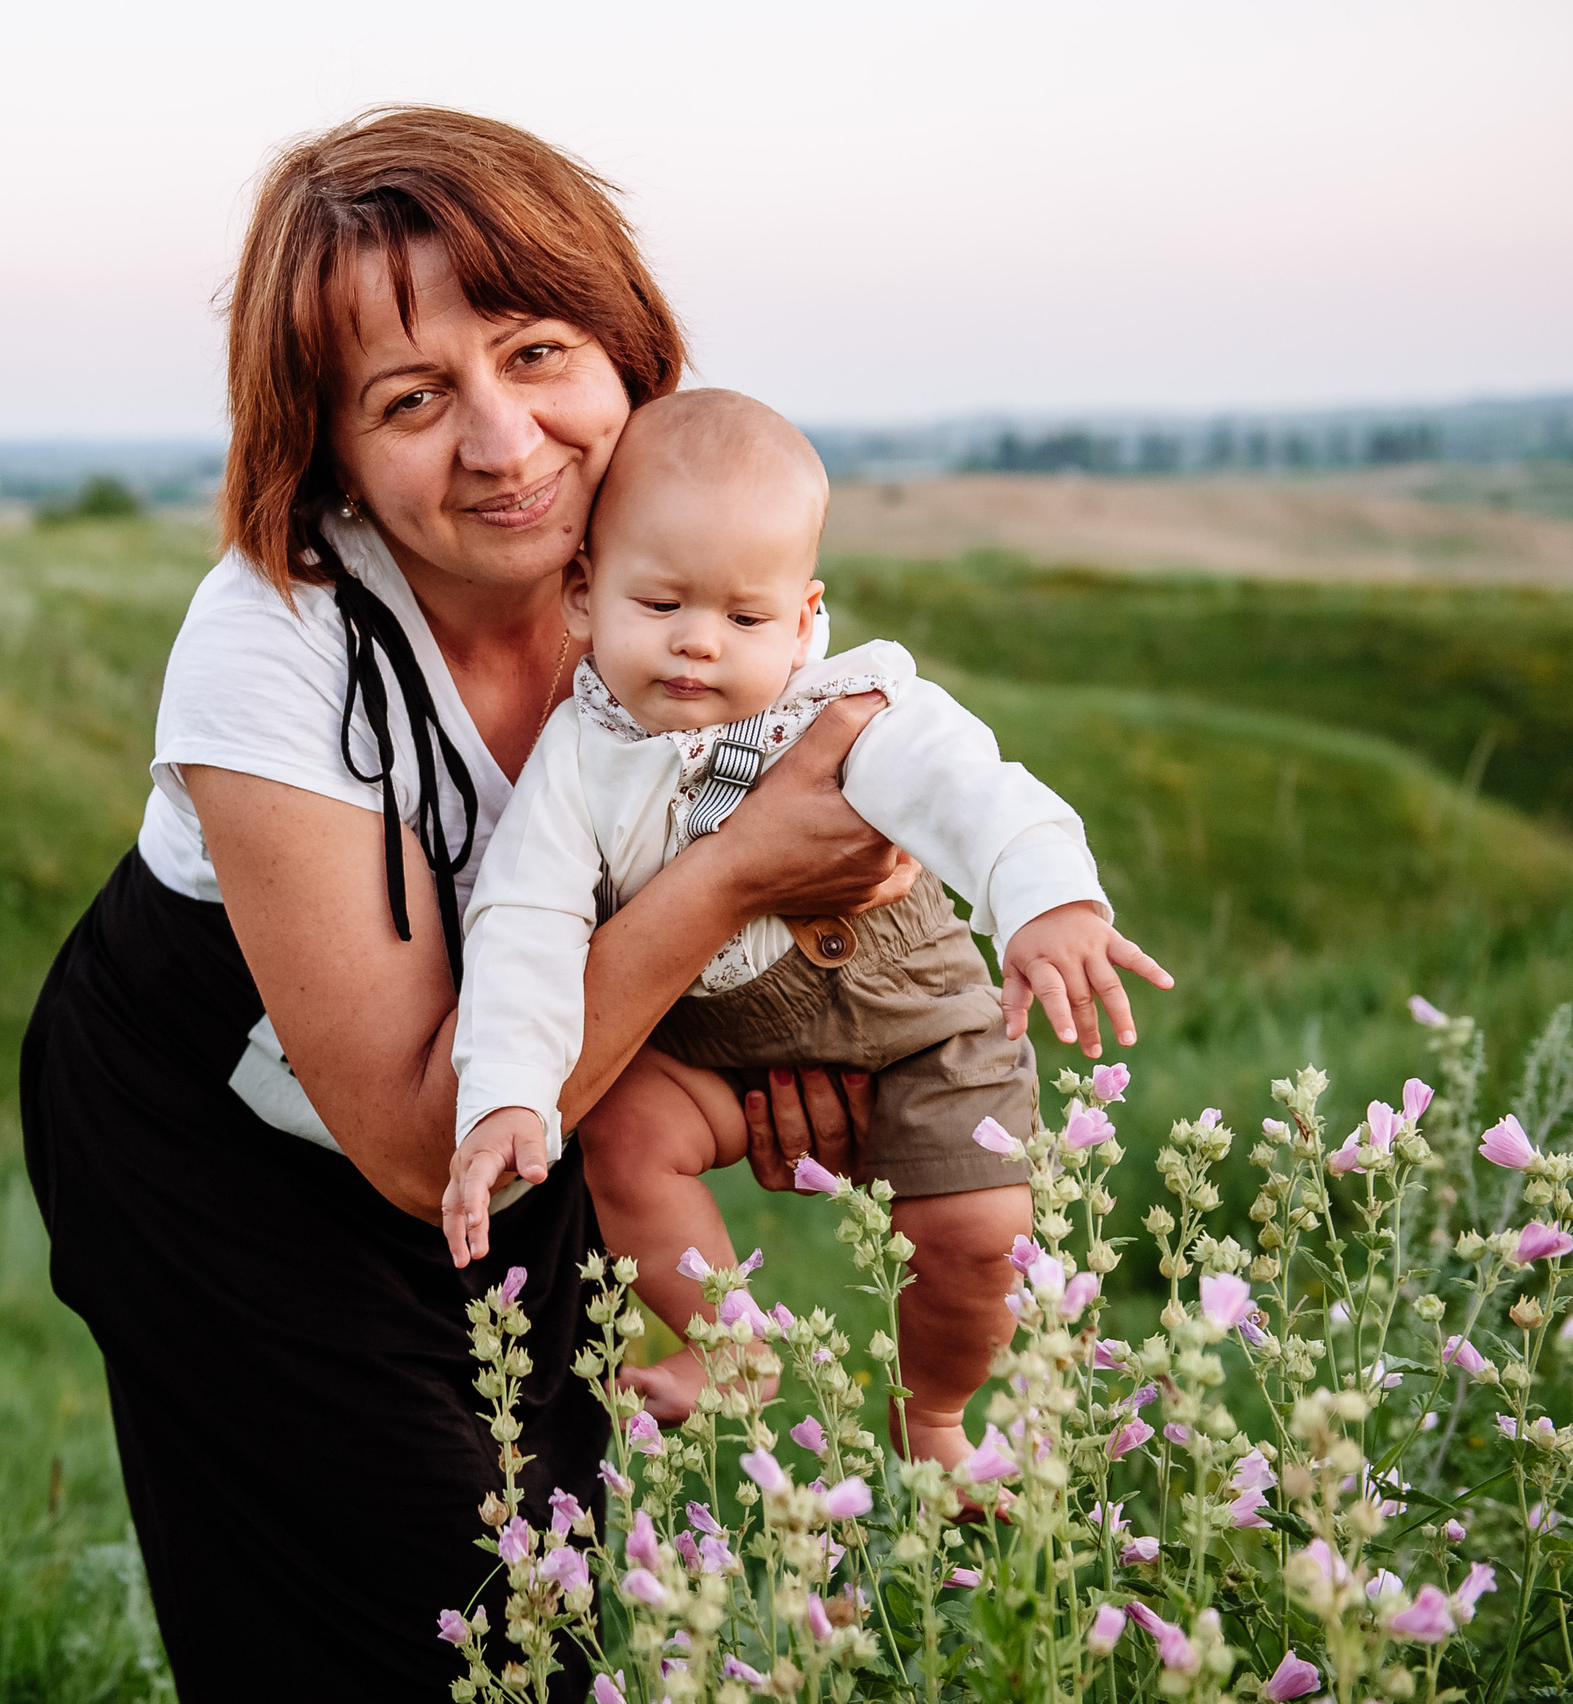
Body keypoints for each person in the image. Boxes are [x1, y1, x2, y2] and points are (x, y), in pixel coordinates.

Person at [20, 107, 920, 1696]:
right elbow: (412, 1136)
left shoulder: (664, 566)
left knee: (557, 1558)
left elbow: (736, 882)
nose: (504, 446)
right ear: (329, 448)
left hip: (511, 1084)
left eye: (536, 352)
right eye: (413, 397)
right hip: (222, 1140)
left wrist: (783, 1065)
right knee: (435, 1610)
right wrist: (735, 878)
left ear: (628, 349)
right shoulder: (274, 647)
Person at [443, 389, 1171, 1467]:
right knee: (623, 1134)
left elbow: (972, 790)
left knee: (979, 1232)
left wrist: (1047, 900)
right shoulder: (579, 756)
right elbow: (524, 920)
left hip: (912, 1021)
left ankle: (933, 1414)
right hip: (710, 1048)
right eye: (660, 604)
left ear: (801, 617)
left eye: (744, 620)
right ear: (585, 594)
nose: (697, 643)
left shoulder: (844, 710)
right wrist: (508, 1090)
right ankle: (729, 1347)